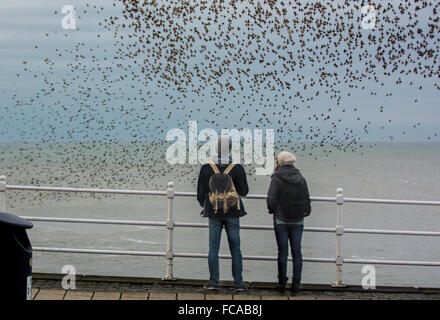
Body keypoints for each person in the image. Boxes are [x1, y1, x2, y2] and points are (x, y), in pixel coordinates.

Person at [197, 137, 249, 291]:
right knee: (235, 249)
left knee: (213, 249)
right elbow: (244, 191)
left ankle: (214, 283)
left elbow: (200, 194)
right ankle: (238, 284)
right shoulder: (237, 167)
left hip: (213, 213)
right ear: (230, 149)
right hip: (233, 213)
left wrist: (208, 205)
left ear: (215, 149)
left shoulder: (206, 168)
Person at [267, 151, 311, 294]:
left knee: (283, 252)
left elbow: (271, 198)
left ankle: (282, 283)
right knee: (297, 252)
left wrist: (273, 210)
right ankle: (296, 284)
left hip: (281, 219)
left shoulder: (277, 177)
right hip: (298, 219)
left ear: (279, 162)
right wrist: (304, 212)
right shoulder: (300, 177)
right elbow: (306, 197)